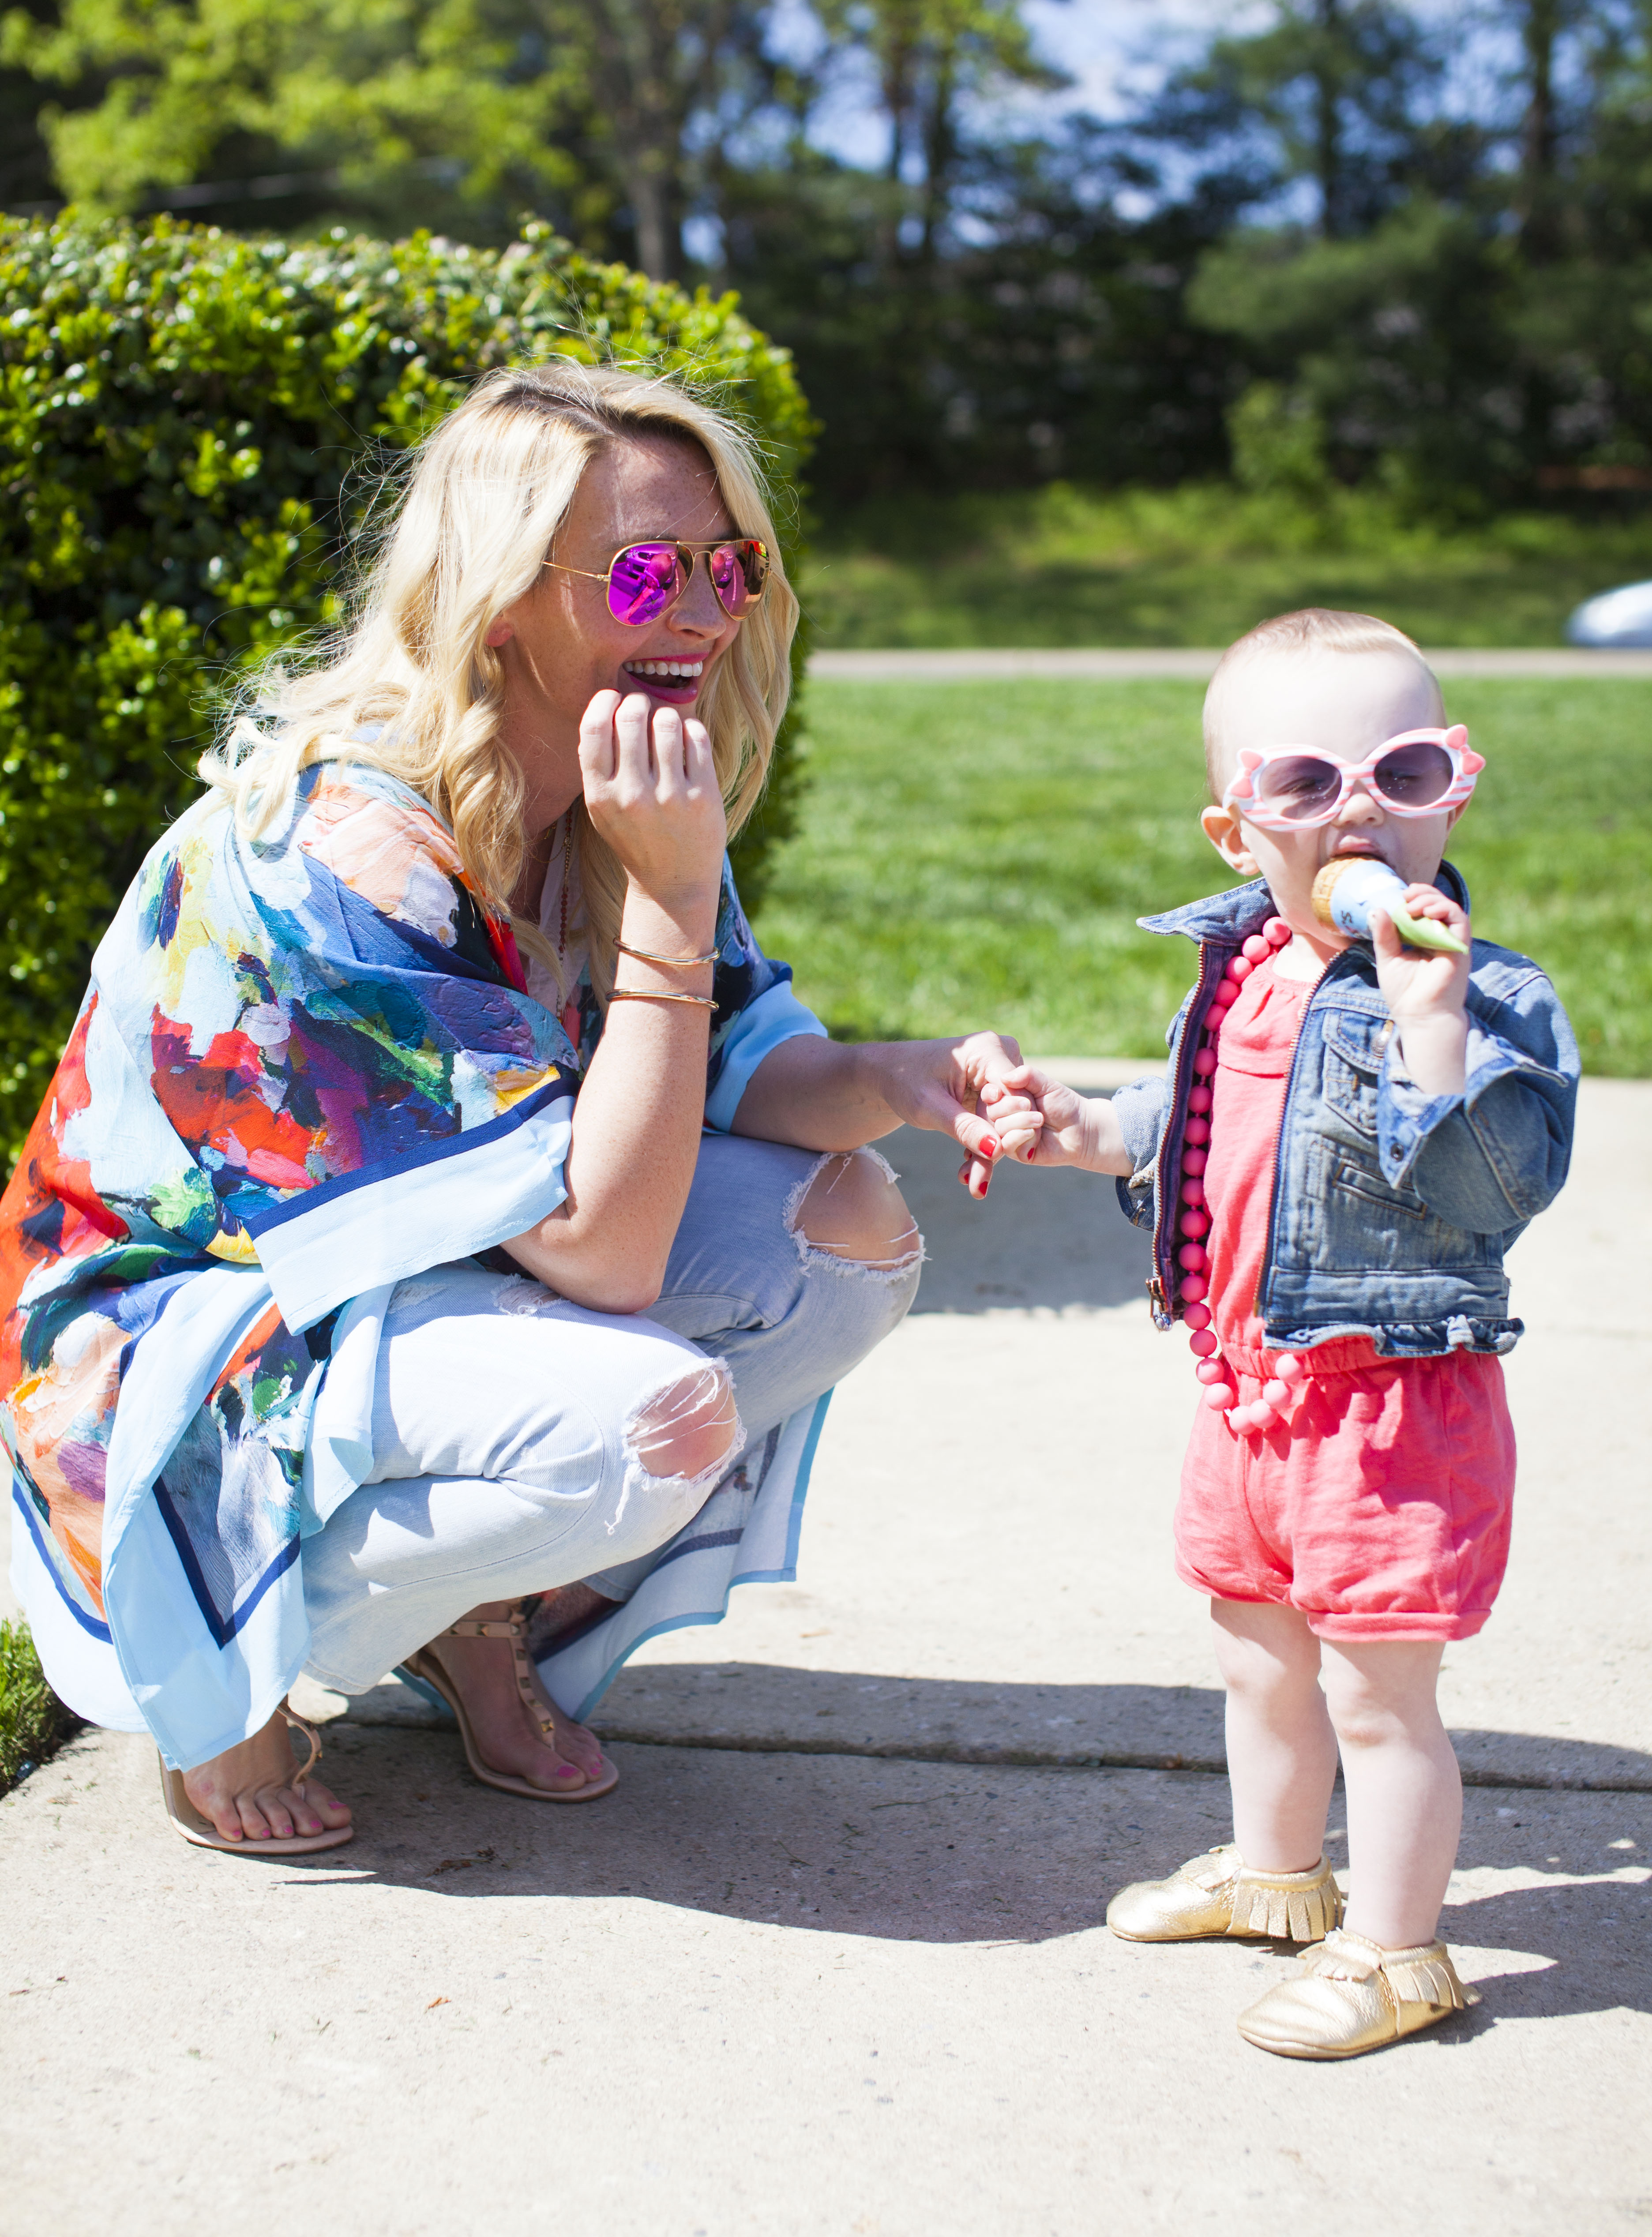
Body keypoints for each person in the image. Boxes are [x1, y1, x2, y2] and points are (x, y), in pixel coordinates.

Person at [0, 359, 1020, 1855]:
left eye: (730, 567)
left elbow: (733, 1064)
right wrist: (669, 904)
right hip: (191, 1337)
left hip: (424, 1279)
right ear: (498, 601)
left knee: (850, 1228)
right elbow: (606, 1255)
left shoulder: (616, 795)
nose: (708, 611)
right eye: (651, 571)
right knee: (647, 1427)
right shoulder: (346, 851)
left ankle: (474, 1618)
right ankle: (218, 1681)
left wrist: (897, 1082)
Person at [980, 608, 1577, 2059]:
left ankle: (1400, 1953)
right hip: (1247, 1395)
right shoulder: (1244, 965)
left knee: (1382, 1699)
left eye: (1406, 768)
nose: (1362, 808)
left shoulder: (1486, 996)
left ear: (1457, 789)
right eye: (1309, 784)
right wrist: (1080, 1129)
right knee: (1257, 1653)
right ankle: (1279, 1876)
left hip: (1390, 1413)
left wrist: (1432, 1026)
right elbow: (1191, 1120)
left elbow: (1497, 1185)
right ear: (1237, 832)